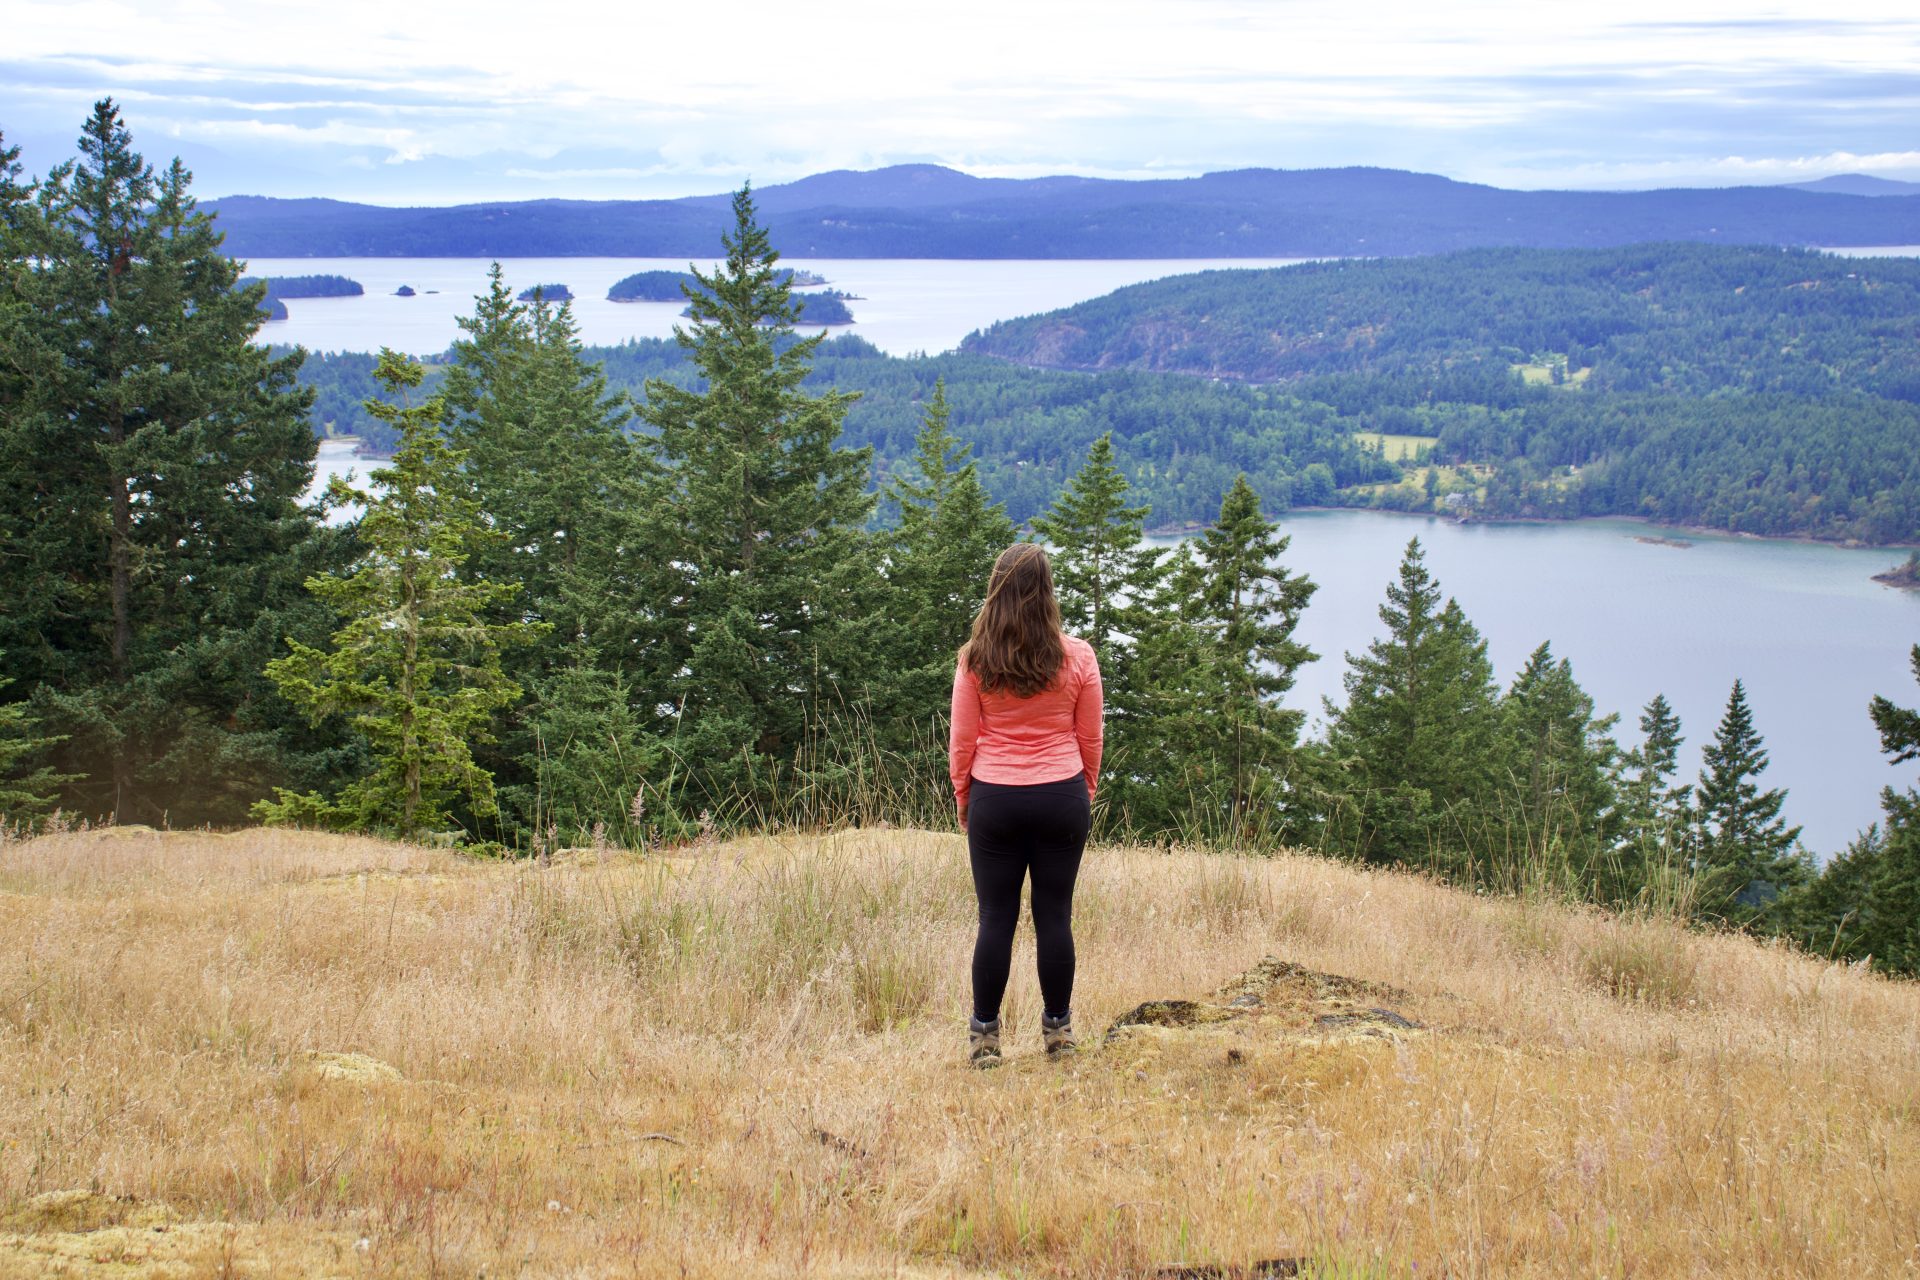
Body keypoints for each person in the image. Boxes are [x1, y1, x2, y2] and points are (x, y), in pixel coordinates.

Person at [949, 543, 1103, 1066]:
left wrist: (965, 799)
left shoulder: (975, 659)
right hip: (1061, 793)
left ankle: (985, 1040)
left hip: (996, 798)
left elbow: (963, 742)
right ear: (1048, 592)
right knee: (1054, 917)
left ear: (997, 590)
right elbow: (1091, 739)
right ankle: (1058, 1034)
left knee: (995, 917)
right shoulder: (1077, 656)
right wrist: (1082, 792)